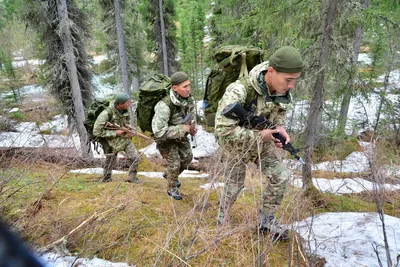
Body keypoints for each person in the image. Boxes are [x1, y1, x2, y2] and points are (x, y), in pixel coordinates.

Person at [214, 46, 304, 238]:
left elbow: (279, 115)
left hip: (262, 145)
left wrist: (280, 129)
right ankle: (222, 221)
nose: (292, 86)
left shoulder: (282, 93)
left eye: (295, 80)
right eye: (289, 80)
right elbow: (222, 130)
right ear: (271, 71)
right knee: (234, 186)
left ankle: (267, 222)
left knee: (280, 177)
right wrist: (259, 136)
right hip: (234, 147)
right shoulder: (238, 90)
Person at [152, 72, 197, 200]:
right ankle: (172, 188)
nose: (188, 89)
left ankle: (169, 175)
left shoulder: (189, 99)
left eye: (189, 85)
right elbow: (159, 131)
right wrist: (182, 128)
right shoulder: (164, 106)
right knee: (174, 163)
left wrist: (192, 127)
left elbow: (192, 115)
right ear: (175, 88)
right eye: (184, 86)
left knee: (187, 158)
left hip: (181, 135)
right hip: (165, 139)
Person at [93, 92, 142, 183]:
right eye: (127, 102)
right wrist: (115, 133)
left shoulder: (124, 111)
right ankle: (107, 178)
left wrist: (128, 128)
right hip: (111, 142)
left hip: (124, 139)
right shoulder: (106, 114)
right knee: (110, 161)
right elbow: (96, 131)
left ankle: (132, 177)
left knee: (136, 158)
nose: (129, 104)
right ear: (120, 104)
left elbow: (124, 123)